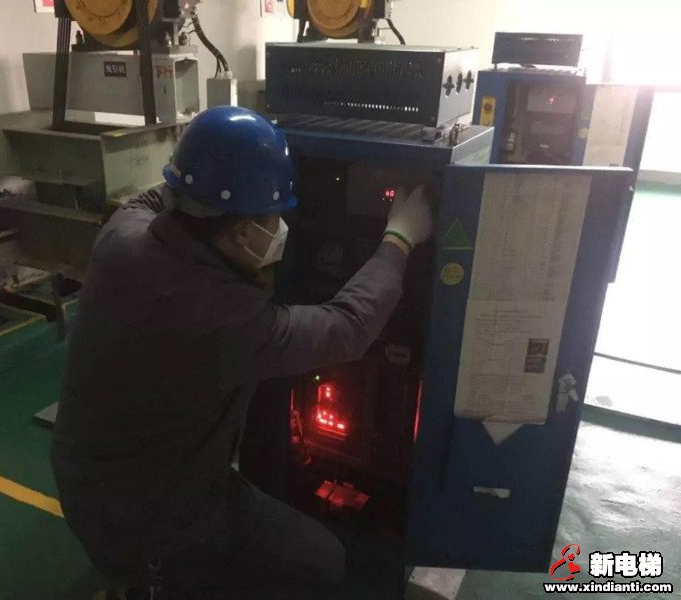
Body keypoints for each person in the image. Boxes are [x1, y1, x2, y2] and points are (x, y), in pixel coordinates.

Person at [50, 106, 433, 599]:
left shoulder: (122, 233)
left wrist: (202, 169)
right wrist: (400, 236)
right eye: (273, 218)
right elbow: (348, 327)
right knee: (323, 559)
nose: (280, 227)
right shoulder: (223, 317)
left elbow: (162, 194)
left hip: (88, 481)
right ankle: (155, 579)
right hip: (151, 520)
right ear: (241, 234)